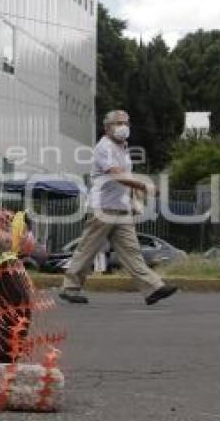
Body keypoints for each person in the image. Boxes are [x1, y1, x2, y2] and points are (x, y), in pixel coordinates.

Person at [59, 110, 178, 306]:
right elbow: (116, 175)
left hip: (121, 209)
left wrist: (136, 198)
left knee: (132, 252)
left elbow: (126, 178)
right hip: (102, 208)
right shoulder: (103, 147)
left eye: (126, 123)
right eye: (118, 123)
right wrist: (145, 186)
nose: (124, 127)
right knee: (88, 249)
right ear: (107, 128)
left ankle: (153, 288)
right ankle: (69, 288)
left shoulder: (123, 148)